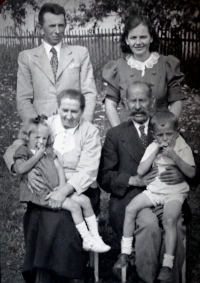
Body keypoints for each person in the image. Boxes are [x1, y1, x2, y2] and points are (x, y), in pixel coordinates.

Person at [4, 89, 102, 283]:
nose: (69, 116)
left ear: (82, 111)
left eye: (74, 111)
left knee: (63, 219)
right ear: (58, 108)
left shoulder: (90, 131)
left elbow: (88, 170)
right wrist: (24, 169)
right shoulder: (46, 125)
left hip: (79, 190)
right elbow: (15, 147)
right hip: (45, 189)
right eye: (65, 110)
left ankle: (69, 275)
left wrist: (64, 191)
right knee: (36, 215)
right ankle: (41, 276)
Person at [97, 81, 191, 283]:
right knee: (149, 225)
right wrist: (131, 179)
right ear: (125, 103)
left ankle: (168, 276)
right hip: (130, 197)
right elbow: (104, 176)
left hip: (168, 194)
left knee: (174, 222)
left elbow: (192, 160)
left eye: (143, 100)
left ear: (152, 102)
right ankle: (147, 278)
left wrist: (183, 174)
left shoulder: (166, 127)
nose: (138, 106)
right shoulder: (116, 134)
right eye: (133, 101)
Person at [113, 111, 195, 282]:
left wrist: (175, 157)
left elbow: (191, 173)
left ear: (177, 132)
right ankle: (125, 253)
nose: (165, 139)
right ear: (154, 135)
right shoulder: (153, 146)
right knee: (130, 209)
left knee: (170, 220)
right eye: (160, 135)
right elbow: (141, 171)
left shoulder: (182, 146)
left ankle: (167, 265)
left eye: (169, 134)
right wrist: (155, 150)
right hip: (154, 191)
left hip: (174, 192)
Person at [14, 118, 110, 253]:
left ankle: (95, 237)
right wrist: (37, 157)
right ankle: (87, 239)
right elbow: (20, 169)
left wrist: (62, 187)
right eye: (37, 137)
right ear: (27, 136)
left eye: (44, 138)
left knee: (85, 200)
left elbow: (59, 167)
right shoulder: (24, 151)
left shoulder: (48, 150)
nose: (41, 142)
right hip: (41, 193)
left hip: (55, 189)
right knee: (75, 206)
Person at [17, 3, 97, 123]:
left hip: (74, 124)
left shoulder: (80, 53)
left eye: (61, 25)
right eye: (52, 26)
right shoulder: (27, 57)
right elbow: (23, 99)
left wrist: (83, 125)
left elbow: (89, 93)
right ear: (41, 28)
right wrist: (37, 127)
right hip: (41, 128)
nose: (57, 31)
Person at [102, 14, 185, 127]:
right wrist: (119, 133)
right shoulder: (118, 67)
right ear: (127, 40)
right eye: (133, 38)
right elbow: (110, 103)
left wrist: (165, 129)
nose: (138, 42)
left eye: (143, 37)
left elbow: (177, 101)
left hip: (160, 131)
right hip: (127, 131)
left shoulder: (166, 64)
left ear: (151, 38)